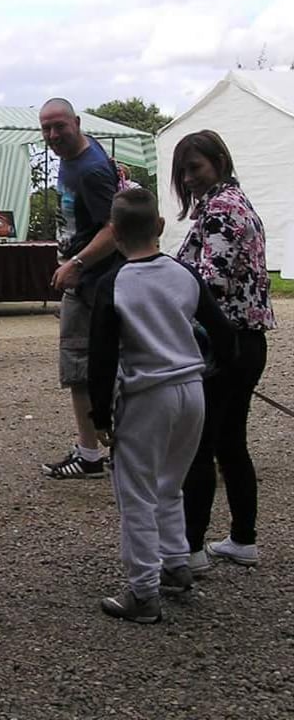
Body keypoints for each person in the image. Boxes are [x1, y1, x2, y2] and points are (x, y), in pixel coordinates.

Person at [88, 189, 237, 623]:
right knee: (171, 484)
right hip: (191, 390)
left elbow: (102, 358)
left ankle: (142, 591)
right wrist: (213, 370)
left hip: (145, 395)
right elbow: (224, 336)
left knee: (136, 494)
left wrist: (100, 415)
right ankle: (175, 565)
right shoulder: (185, 273)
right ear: (159, 226)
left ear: (113, 232)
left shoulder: (112, 284)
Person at [172, 130, 275, 571]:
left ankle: (190, 549)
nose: (188, 178)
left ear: (218, 160)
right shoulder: (239, 203)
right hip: (248, 342)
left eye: (195, 168)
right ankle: (243, 538)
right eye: (183, 171)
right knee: (231, 442)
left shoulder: (219, 211)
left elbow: (207, 282)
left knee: (202, 445)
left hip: (223, 342)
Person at [38, 98, 120, 479]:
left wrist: (77, 263)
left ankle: (91, 454)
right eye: (46, 128)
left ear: (77, 122)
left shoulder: (90, 170)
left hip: (93, 283)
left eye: (60, 126)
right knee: (91, 367)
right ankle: (105, 448)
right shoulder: (75, 159)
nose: (53, 135)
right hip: (86, 278)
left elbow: (114, 229)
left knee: (80, 367)